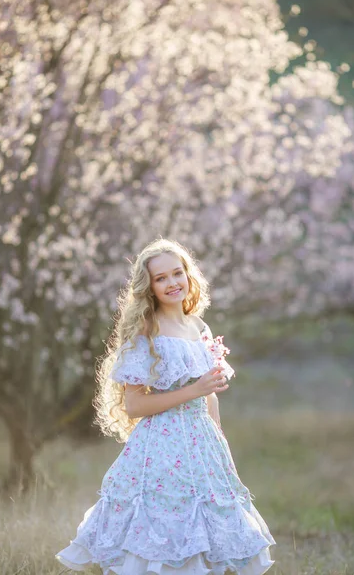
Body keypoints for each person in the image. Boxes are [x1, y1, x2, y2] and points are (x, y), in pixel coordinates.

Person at [56, 238, 276, 574]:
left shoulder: (198, 327)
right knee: (164, 528)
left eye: (178, 273)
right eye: (161, 278)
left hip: (202, 443)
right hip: (162, 444)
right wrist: (195, 390)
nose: (172, 282)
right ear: (150, 287)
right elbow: (135, 405)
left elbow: (209, 395)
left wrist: (220, 442)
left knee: (204, 527)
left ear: (189, 276)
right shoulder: (146, 331)